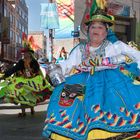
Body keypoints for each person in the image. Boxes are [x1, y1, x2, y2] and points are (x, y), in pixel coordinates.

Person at [42, 3, 140, 140]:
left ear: (106, 32)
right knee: (66, 101)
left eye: (100, 27)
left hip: (110, 82)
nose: (96, 29)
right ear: (88, 31)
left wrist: (121, 62)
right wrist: (56, 69)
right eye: (93, 26)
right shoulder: (80, 49)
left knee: (114, 104)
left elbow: (136, 55)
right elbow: (68, 64)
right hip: (81, 82)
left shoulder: (115, 46)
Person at [0, 45, 53, 117]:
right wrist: (5, 75)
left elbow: (36, 71)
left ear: (30, 54)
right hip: (23, 79)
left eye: (26, 53)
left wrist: (29, 67)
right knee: (20, 93)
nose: (24, 54)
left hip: (34, 80)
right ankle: (23, 112)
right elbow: (14, 69)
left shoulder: (34, 62)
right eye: (24, 53)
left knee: (32, 94)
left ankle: (32, 109)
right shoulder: (21, 62)